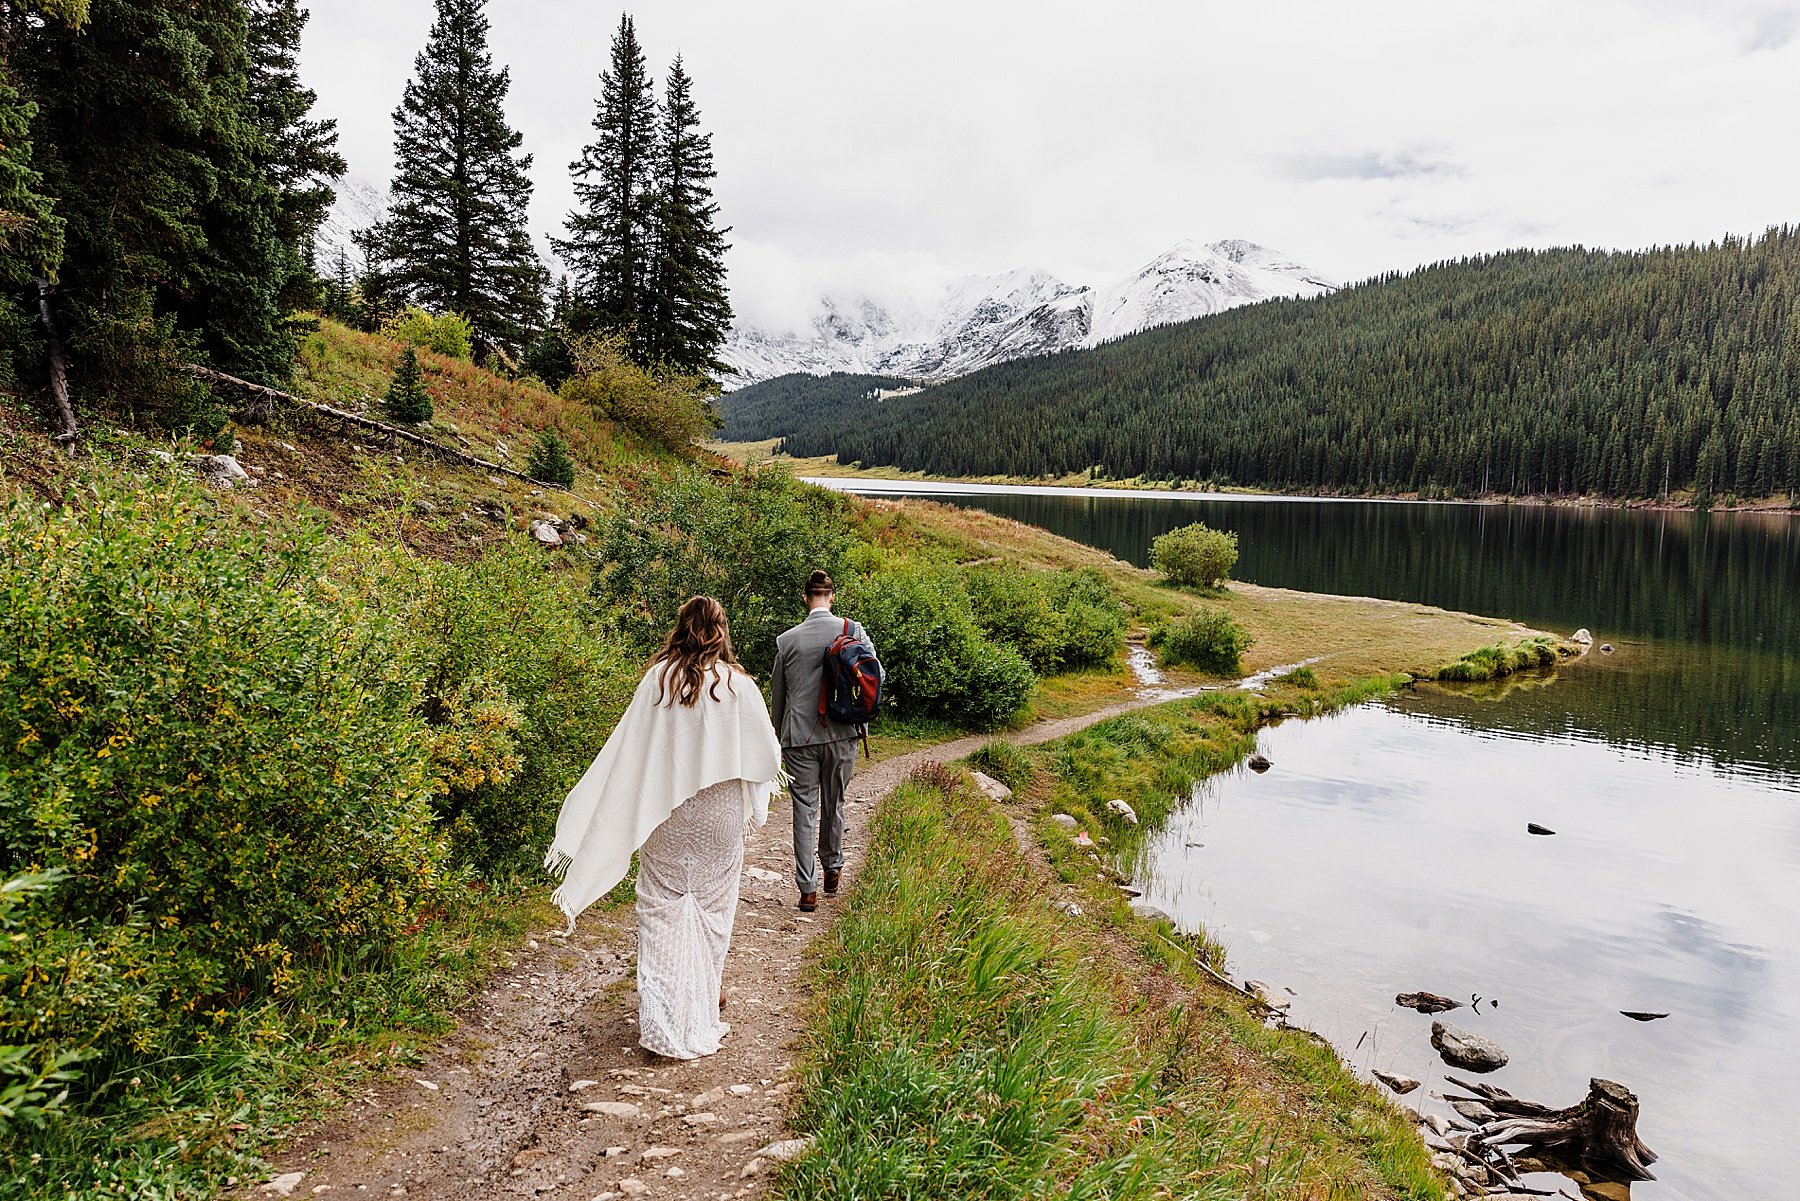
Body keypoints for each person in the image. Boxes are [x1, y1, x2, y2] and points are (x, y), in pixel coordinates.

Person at [544, 596, 784, 1061]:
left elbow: (627, 753)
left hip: (665, 815)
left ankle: (664, 1014)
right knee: (713, 909)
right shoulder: (741, 686)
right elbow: (767, 758)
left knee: (660, 905)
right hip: (720, 816)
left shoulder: (658, 681)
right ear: (722, 630)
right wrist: (754, 805)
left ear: (681, 628)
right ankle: (706, 998)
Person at [770, 569, 875, 912]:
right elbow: (877, 673)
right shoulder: (852, 630)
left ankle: (807, 889)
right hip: (843, 732)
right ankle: (833, 868)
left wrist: (777, 738)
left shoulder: (786, 641)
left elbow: (779, 697)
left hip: (799, 737)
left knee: (804, 809)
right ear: (832, 597)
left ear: (805, 598)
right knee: (836, 802)